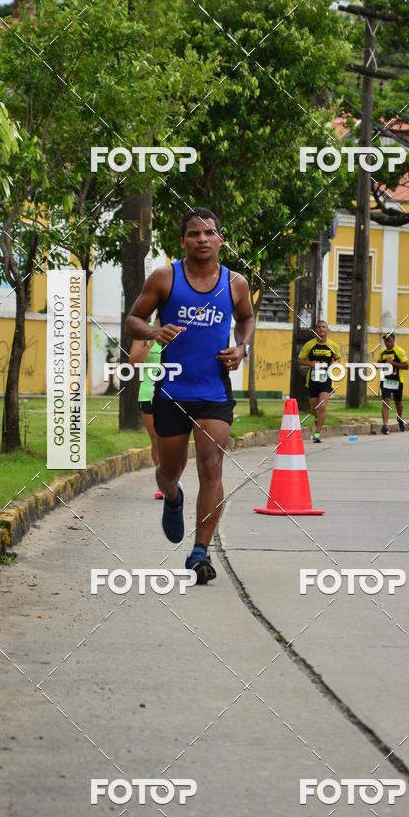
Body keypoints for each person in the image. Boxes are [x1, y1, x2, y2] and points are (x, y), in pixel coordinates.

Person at [125, 207, 255, 584]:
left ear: (220, 239)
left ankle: (200, 550)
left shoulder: (235, 283)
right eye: (194, 233)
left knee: (212, 464)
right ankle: (173, 497)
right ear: (182, 241)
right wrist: (153, 333)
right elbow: (134, 317)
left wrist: (241, 347)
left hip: (213, 390)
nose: (202, 239)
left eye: (209, 232)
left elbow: (246, 318)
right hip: (172, 390)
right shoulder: (166, 277)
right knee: (170, 470)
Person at [129, 334, 163, 499]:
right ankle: (165, 484)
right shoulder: (144, 332)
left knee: (171, 442)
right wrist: (149, 343)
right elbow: (133, 361)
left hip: (173, 394)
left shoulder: (178, 328)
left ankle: (173, 479)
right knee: (156, 442)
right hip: (148, 392)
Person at [298, 320, 341, 443]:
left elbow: (338, 358)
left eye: (323, 327)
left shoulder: (333, 346)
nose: (321, 329)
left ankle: (317, 433)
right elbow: (300, 360)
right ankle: (317, 418)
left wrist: (334, 363)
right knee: (313, 410)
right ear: (316, 330)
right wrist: (310, 363)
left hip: (326, 380)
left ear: (327, 330)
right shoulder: (309, 345)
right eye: (319, 327)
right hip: (312, 380)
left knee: (322, 406)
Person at [379, 332, 409, 434]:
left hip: (397, 381)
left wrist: (393, 363)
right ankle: (385, 425)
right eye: (385, 341)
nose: (387, 343)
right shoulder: (382, 352)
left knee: (398, 403)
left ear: (393, 341)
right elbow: (379, 363)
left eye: (389, 341)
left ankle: (399, 418)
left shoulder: (399, 351)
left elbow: (406, 366)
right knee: (386, 401)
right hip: (386, 380)